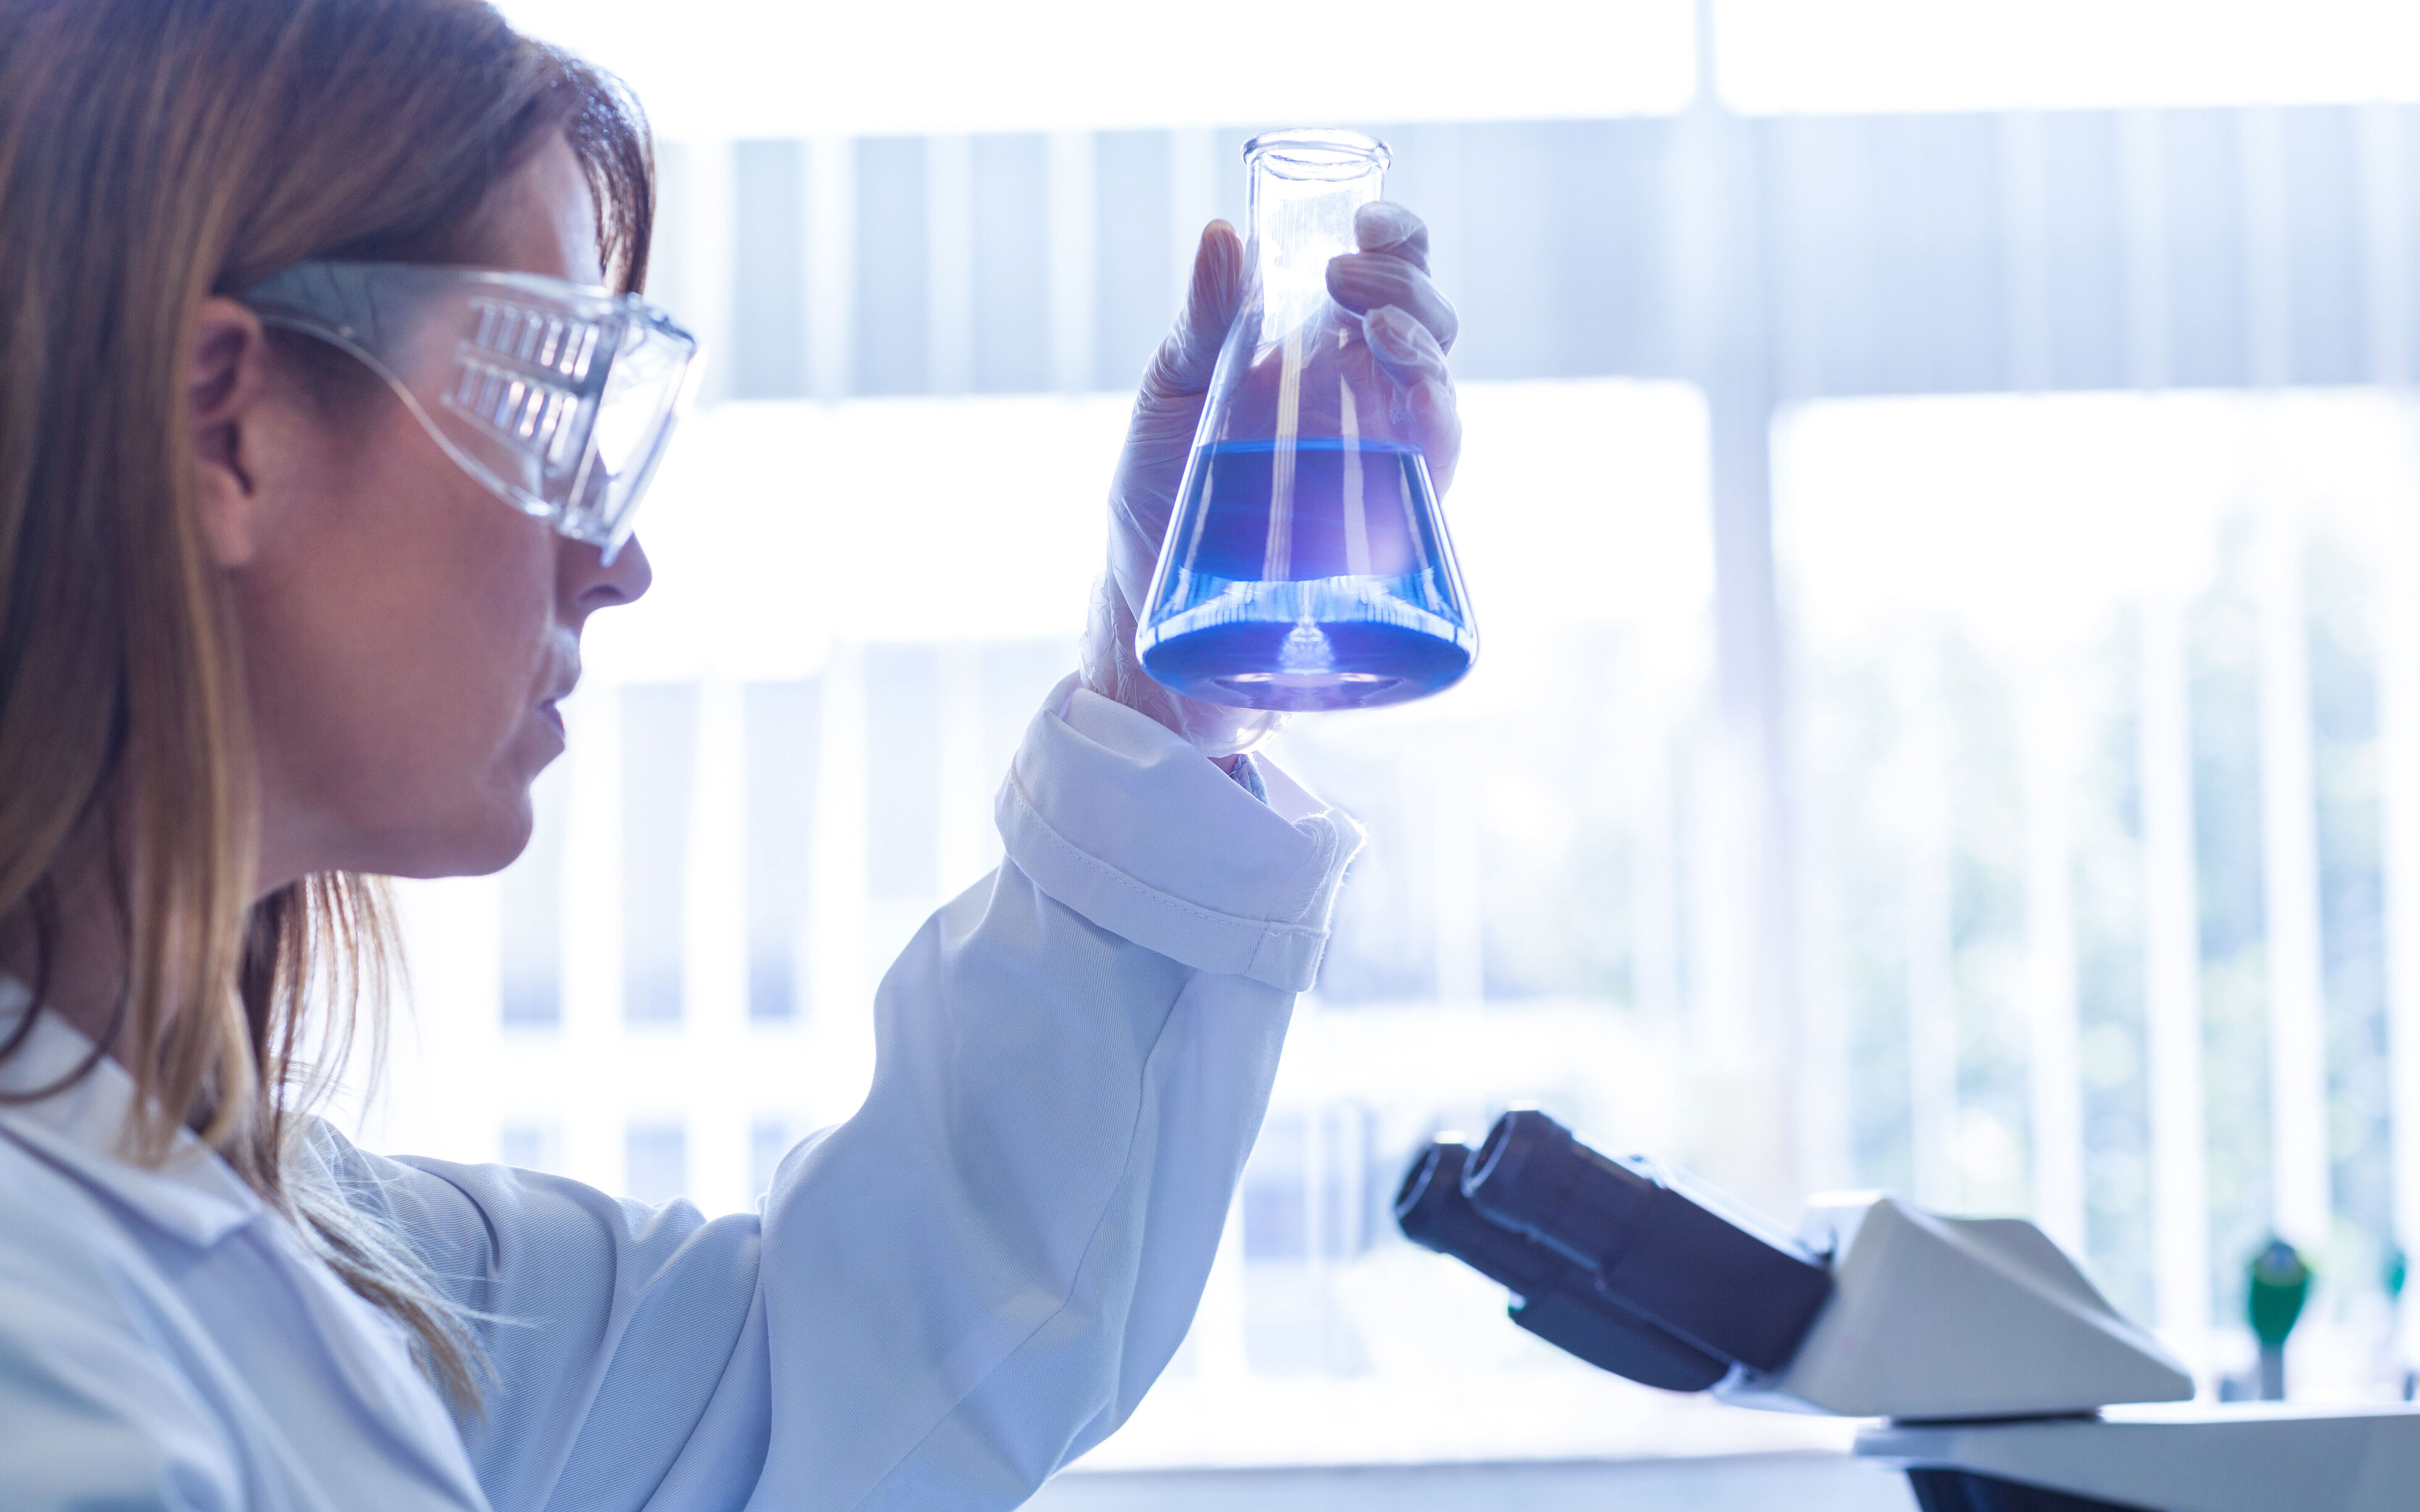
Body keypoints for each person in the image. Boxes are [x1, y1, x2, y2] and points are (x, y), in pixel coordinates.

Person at [0, 0, 1462, 1508]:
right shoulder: (57, 1355)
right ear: (227, 432)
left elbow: (832, 1378)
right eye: (548, 407)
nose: (613, 563)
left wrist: (1167, 671)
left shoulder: (282, 1247)